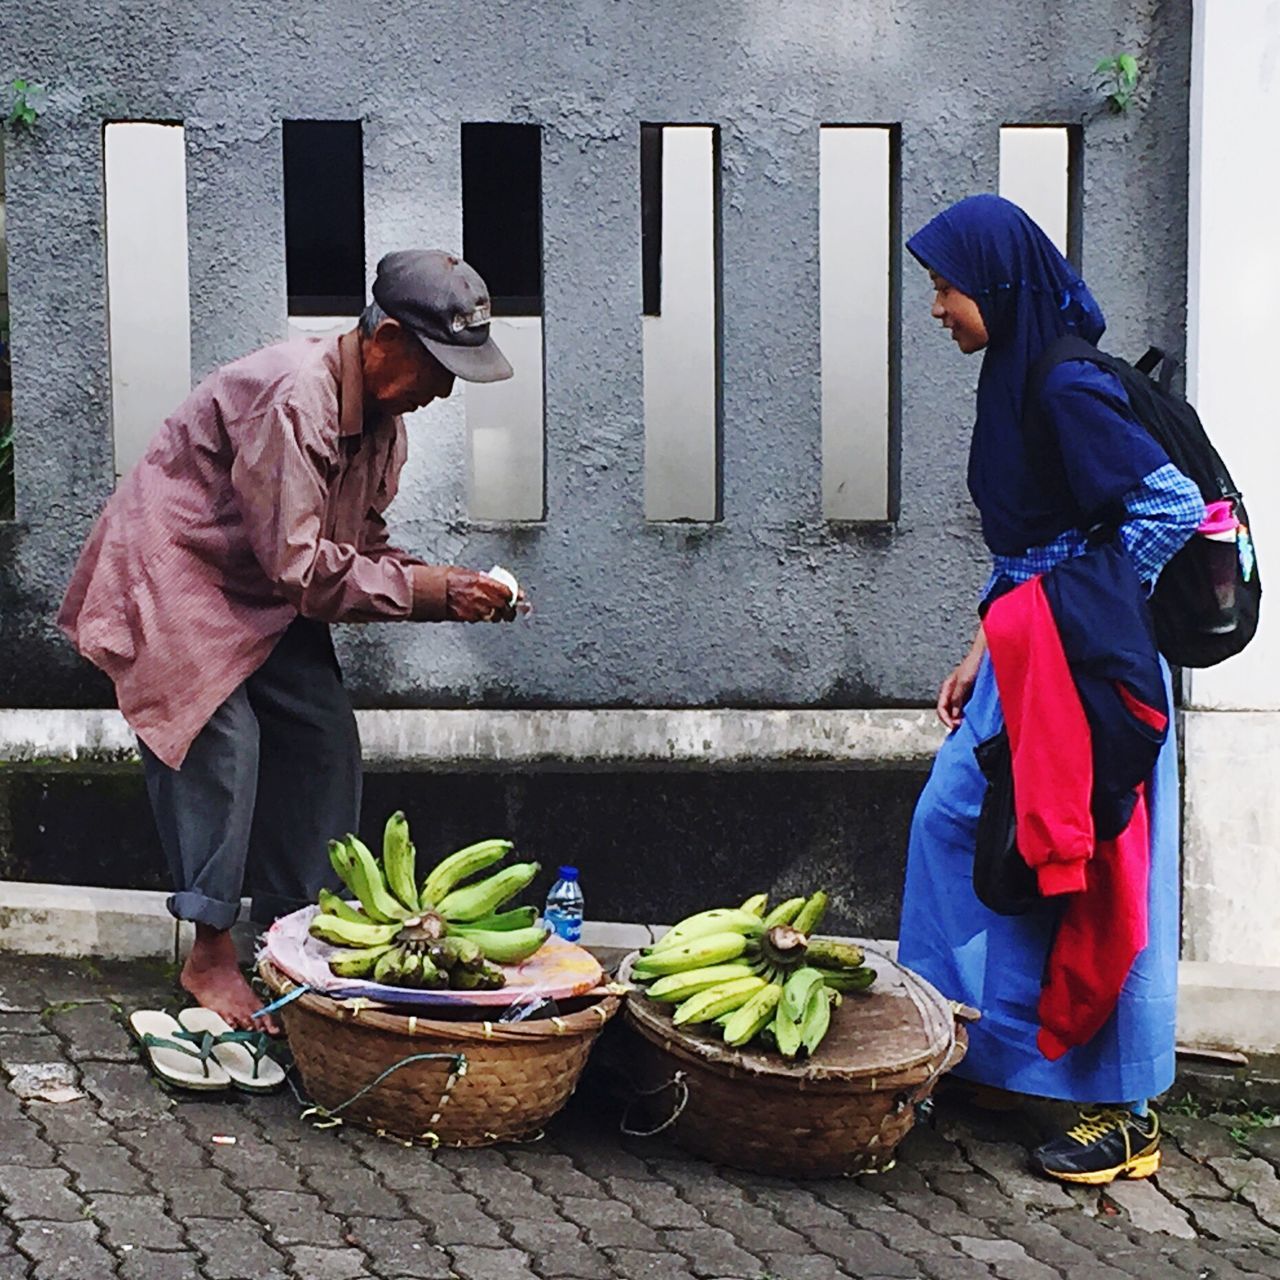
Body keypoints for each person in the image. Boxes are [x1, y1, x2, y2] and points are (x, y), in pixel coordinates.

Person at [58, 250, 525, 1032]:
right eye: (437, 367)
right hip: (176, 570)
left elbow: (360, 545)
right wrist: (431, 593)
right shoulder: (295, 398)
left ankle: (286, 937)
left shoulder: (384, 424)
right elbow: (302, 568)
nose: (444, 390)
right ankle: (208, 954)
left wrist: (451, 587)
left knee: (321, 739)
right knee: (222, 742)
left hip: (262, 587)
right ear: (382, 340)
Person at [897, 196, 1205, 1184]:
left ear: (993, 283)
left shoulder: (1064, 381)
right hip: (1024, 661)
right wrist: (983, 644)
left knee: (1104, 870)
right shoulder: (1014, 374)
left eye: (946, 286)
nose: (937, 305)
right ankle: (967, 1046)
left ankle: (1128, 1112)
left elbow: (1167, 507)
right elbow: (1034, 538)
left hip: (1079, 674)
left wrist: (1084, 622)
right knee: (960, 829)